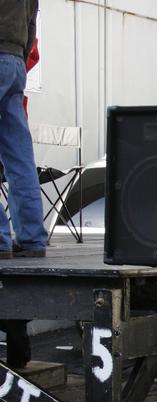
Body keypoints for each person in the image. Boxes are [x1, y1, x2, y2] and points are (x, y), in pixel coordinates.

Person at [0, 0, 47, 259]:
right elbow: (31, 24)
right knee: (19, 157)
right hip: (15, 60)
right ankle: (31, 238)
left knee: (17, 156)